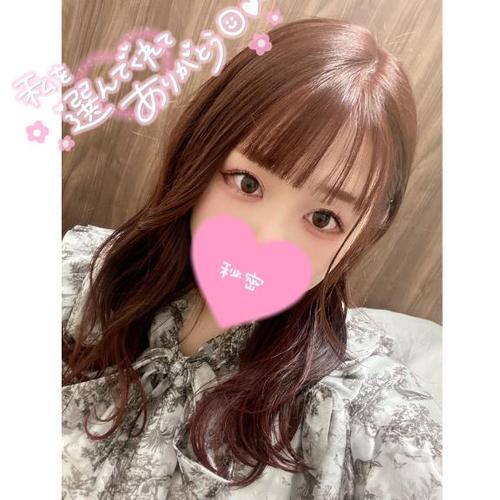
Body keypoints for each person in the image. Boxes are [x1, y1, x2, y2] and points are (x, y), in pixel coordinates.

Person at [62, 17, 442, 499]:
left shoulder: (360, 413)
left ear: (364, 233)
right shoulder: (87, 272)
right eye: (248, 183)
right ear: (200, 156)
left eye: (323, 218)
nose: (266, 241)